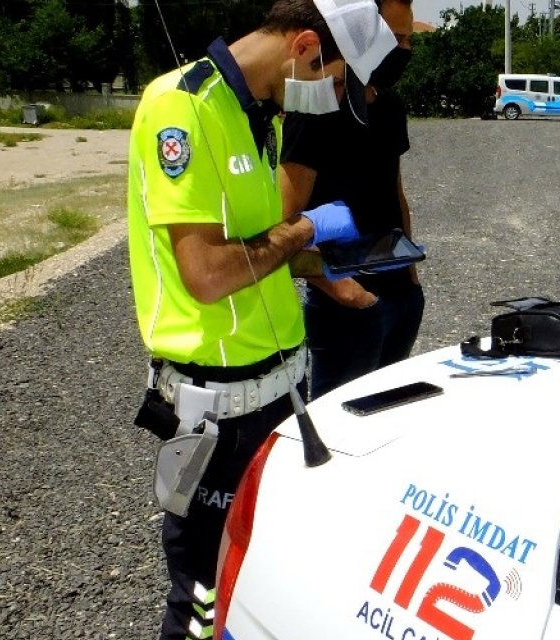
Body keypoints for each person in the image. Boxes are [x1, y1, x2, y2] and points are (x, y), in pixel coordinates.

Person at [124, 1, 396, 638]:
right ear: (303, 47)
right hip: (217, 413)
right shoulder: (181, 107)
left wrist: (323, 264)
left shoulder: (257, 114)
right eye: (332, 82)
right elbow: (209, 274)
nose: (330, 100)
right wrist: (302, 228)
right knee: (203, 598)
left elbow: (254, 251)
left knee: (265, 568)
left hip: (279, 391)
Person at [280, 0, 422, 400]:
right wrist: (343, 290)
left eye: (409, 40)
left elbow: (395, 193)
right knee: (338, 428)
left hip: (400, 294)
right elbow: (285, 218)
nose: (404, 51)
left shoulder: (390, 106)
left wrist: (412, 281)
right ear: (365, 35)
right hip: (347, 304)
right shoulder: (317, 106)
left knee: (388, 418)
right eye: (395, 39)